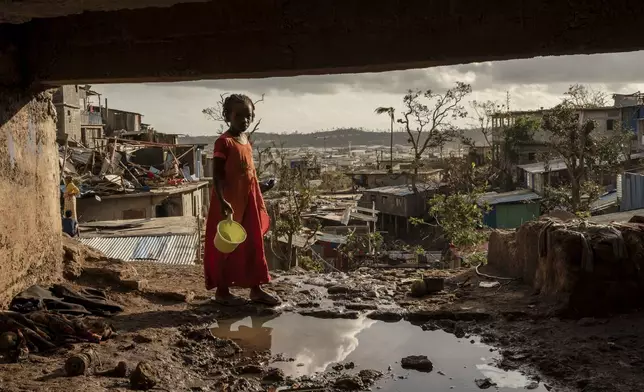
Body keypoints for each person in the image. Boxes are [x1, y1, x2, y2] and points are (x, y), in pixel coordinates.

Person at [203, 94, 280, 307]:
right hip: (228, 204)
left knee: (254, 243)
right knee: (226, 247)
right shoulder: (224, 142)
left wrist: (261, 187)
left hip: (248, 202)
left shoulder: (246, 141)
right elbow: (217, 176)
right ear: (227, 116)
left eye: (248, 116)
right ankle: (222, 290)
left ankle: (256, 288)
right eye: (239, 116)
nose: (244, 120)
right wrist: (222, 201)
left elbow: (247, 175)